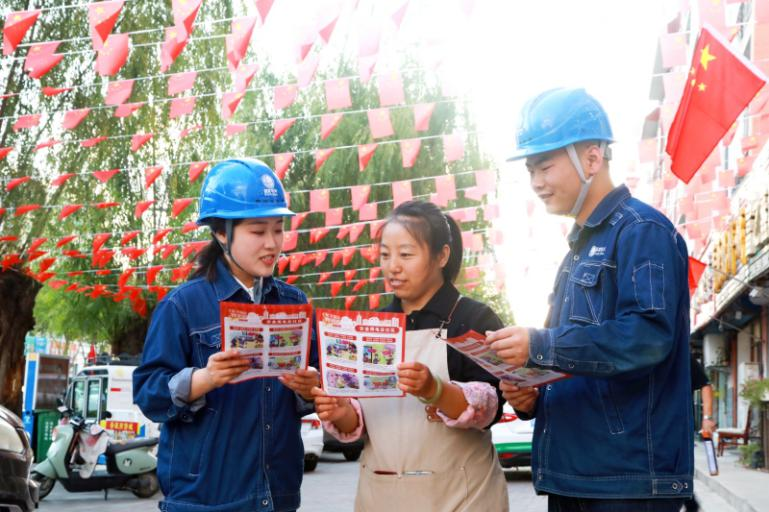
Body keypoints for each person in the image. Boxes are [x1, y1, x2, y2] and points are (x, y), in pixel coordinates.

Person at [488, 88, 693, 511]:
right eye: (530, 170)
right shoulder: (578, 249)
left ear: (593, 158)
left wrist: (541, 345)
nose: (537, 183)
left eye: (545, 166)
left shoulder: (642, 231)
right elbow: (581, 357)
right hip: (575, 476)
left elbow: (648, 336)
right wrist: (533, 395)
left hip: (626, 482)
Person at [133, 158, 318, 512]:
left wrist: (311, 388)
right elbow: (148, 395)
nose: (272, 244)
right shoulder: (182, 307)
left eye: (278, 229)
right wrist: (204, 378)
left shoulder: (294, 304)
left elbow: (316, 391)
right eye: (257, 231)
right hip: (203, 502)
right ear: (221, 233)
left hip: (277, 499)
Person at [312, 200, 509, 511]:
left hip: (462, 498)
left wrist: (436, 391)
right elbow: (359, 421)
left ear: (441, 255)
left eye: (406, 255)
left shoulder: (474, 319)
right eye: (386, 256)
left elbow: (491, 407)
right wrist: (339, 411)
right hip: (382, 498)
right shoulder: (370, 327)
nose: (393, 267)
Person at [684, 355, 715, 512]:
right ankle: (691, 503)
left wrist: (707, 418)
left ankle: (691, 503)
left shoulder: (680, 353)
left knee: (679, 469)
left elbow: (705, 384)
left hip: (680, 427)